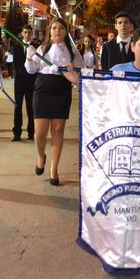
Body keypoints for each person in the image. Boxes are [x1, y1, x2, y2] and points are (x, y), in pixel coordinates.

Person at [25, 18, 85, 185]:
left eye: (61, 28)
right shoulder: (42, 49)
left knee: (58, 131)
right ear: (49, 32)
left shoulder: (72, 52)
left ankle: (54, 168)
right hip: (42, 91)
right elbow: (30, 70)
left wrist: (74, 77)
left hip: (61, 92)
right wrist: (29, 58)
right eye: (54, 28)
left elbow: (81, 75)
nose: (57, 31)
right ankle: (40, 155)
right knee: (40, 133)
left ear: (66, 32)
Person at [11, 25, 36, 142]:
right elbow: (16, 64)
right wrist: (21, 71)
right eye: (25, 32)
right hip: (20, 81)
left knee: (30, 107)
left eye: (29, 32)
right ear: (22, 33)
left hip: (31, 81)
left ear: (32, 33)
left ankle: (31, 132)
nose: (27, 35)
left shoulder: (35, 47)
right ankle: (17, 133)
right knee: (18, 106)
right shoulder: (16, 47)